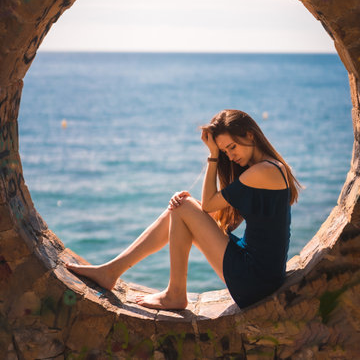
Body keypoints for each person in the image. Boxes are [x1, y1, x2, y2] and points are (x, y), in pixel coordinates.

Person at [66, 109, 301, 310]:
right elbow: (215, 214)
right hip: (260, 273)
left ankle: (172, 293)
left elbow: (208, 204)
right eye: (225, 152)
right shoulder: (268, 168)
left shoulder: (262, 172)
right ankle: (115, 272)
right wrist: (190, 210)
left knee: (184, 207)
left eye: (231, 148)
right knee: (179, 209)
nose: (230, 156)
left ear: (250, 135)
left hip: (254, 280)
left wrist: (212, 156)